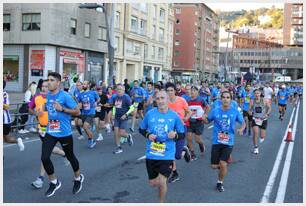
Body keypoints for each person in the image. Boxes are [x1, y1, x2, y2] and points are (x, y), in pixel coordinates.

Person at [139, 90, 185, 203]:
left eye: (162, 98)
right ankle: (184, 150)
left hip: (167, 154)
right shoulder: (150, 114)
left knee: (161, 181)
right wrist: (148, 135)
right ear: (155, 100)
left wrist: (175, 135)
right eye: (158, 98)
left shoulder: (174, 116)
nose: (160, 101)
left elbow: (182, 133)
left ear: (167, 99)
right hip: (152, 153)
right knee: (153, 183)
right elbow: (141, 129)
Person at [42, 72, 83, 197]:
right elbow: (49, 107)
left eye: (52, 80)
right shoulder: (48, 95)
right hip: (51, 131)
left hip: (64, 133)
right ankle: (54, 182)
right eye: (48, 80)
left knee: (70, 157)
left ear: (58, 83)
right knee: (44, 158)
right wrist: (43, 108)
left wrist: (63, 109)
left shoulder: (65, 96)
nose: (48, 82)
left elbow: (77, 111)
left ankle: (78, 178)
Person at [203, 91, 246, 192]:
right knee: (214, 166)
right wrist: (203, 118)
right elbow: (207, 121)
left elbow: (243, 122)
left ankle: (220, 182)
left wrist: (241, 129)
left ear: (231, 100)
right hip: (216, 141)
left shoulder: (235, 111)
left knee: (223, 163)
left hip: (228, 141)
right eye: (224, 97)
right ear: (220, 99)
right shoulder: (215, 111)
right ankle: (223, 167)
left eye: (228, 97)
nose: (226, 99)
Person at [29, 79, 66, 189]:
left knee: (46, 153)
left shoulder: (55, 97)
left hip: (54, 125)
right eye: (43, 86)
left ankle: (40, 178)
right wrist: (36, 112)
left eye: (47, 86)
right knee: (50, 150)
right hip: (42, 127)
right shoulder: (37, 98)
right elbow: (29, 108)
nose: (44, 88)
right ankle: (65, 154)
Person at [166, 82, 191, 183]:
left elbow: (189, 112)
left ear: (175, 91)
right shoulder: (165, 102)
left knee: (177, 156)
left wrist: (185, 119)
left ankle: (184, 150)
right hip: (169, 131)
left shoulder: (181, 100)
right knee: (170, 154)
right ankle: (175, 174)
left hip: (180, 129)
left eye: (171, 90)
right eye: (167, 91)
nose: (170, 92)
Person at [186, 86, 209, 160]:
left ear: (197, 92)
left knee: (197, 139)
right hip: (190, 121)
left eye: (194, 90)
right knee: (189, 137)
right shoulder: (187, 100)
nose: (192, 92)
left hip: (199, 122)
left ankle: (201, 144)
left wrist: (205, 114)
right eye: (191, 90)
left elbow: (208, 107)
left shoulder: (201, 100)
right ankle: (192, 153)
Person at [110, 84, 134, 154]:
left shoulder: (126, 97)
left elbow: (132, 108)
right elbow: (114, 107)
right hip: (117, 117)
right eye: (117, 89)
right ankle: (119, 147)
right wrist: (113, 114)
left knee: (121, 133)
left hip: (124, 117)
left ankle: (128, 136)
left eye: (120, 89)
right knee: (116, 132)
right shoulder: (115, 97)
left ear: (123, 90)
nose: (118, 90)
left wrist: (126, 114)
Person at [77, 81, 100, 148]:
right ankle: (91, 138)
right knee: (80, 124)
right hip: (84, 112)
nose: (83, 86)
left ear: (88, 85)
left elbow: (98, 99)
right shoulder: (80, 94)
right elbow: (79, 103)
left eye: (84, 84)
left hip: (91, 112)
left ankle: (91, 139)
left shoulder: (93, 93)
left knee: (85, 127)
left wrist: (96, 102)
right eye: (83, 84)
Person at [3, 80, 25, 151]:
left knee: (6, 139)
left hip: (4, 121)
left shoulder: (4, 94)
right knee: (7, 139)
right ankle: (17, 141)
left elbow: (6, 106)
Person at [248, 89, 271, 154]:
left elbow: (269, 108)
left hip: (263, 119)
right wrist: (250, 112)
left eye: (258, 93)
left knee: (262, 136)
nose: (256, 95)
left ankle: (262, 137)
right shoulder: (252, 101)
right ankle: (256, 147)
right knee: (255, 133)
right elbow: (249, 109)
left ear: (260, 93)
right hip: (255, 119)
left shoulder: (265, 100)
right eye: (255, 93)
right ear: (254, 94)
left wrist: (267, 114)